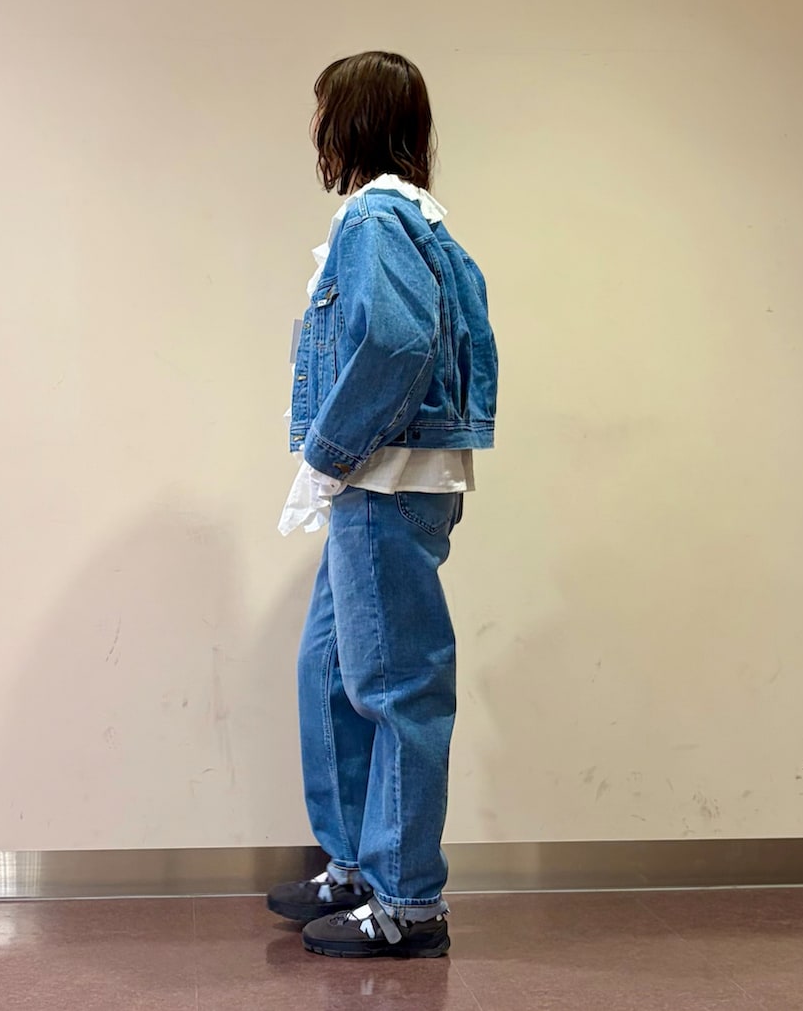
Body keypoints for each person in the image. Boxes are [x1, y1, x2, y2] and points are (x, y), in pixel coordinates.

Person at [270, 51, 498, 958]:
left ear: (351, 122)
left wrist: (328, 452)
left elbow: (399, 343)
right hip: (387, 480)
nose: (315, 129)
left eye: (324, 112)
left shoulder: (374, 217)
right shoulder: (418, 219)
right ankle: (357, 865)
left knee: (396, 687)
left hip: (383, 481)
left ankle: (408, 901)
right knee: (329, 672)